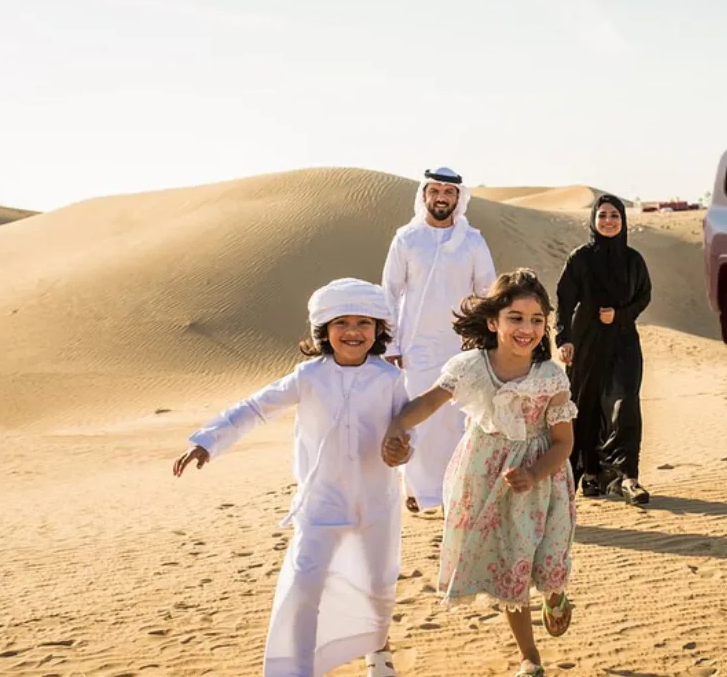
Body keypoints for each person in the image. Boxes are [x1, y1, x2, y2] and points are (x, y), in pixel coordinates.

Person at [172, 278, 413, 677]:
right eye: (342, 322)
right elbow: (256, 407)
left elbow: (408, 429)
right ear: (324, 331)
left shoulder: (389, 380)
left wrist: (404, 449)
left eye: (363, 323)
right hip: (321, 503)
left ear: (378, 330)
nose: (353, 332)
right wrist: (209, 441)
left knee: (376, 586)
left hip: (375, 503)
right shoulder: (309, 376)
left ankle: (379, 657)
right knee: (303, 587)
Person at [382, 269, 576, 677]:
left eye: (537, 319)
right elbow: (429, 402)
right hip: (487, 479)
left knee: (548, 560)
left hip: (544, 481)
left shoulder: (551, 376)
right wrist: (398, 425)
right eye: (516, 318)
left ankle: (555, 595)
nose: (527, 328)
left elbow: (563, 442)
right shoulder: (471, 366)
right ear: (494, 322)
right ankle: (530, 656)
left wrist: (534, 473)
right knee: (512, 563)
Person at [382, 167, 498, 514]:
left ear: (458, 199)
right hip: (416, 345)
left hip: (461, 346)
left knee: (455, 419)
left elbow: (487, 290)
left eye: (449, 192)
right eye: (435, 192)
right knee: (418, 416)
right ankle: (418, 490)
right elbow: (391, 291)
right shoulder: (406, 238)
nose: (442, 198)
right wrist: (391, 345)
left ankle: (456, 491)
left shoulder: (473, 240)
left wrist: (487, 341)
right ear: (425, 196)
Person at [554, 194, 653, 505]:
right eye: (603, 216)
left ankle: (627, 476)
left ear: (623, 220)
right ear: (593, 220)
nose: (608, 221)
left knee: (625, 403)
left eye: (614, 216)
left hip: (623, 340)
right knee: (585, 404)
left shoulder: (634, 260)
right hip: (586, 341)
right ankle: (592, 475)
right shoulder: (580, 258)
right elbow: (565, 300)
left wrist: (619, 316)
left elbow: (644, 296)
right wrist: (563, 338)